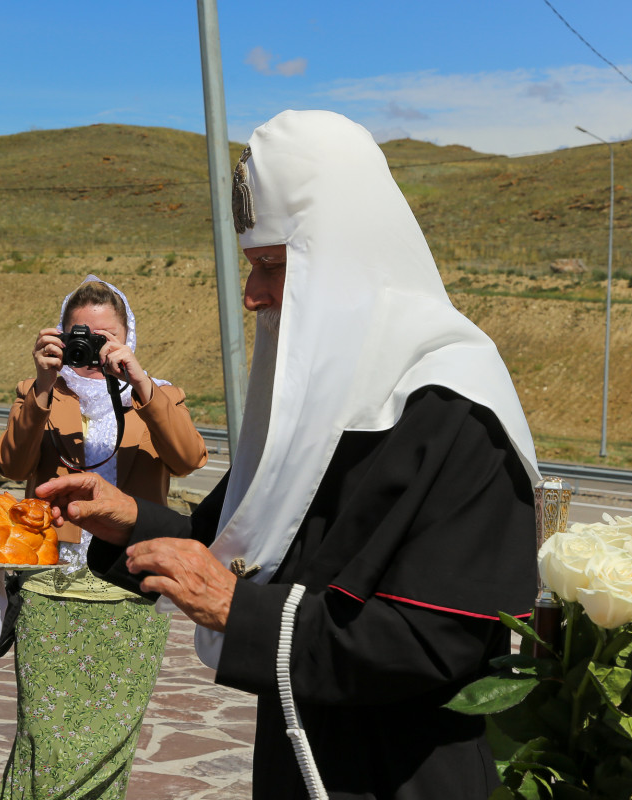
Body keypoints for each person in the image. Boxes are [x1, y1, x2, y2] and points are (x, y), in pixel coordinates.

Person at [34, 111, 541, 800]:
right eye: (252, 268)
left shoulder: (458, 409)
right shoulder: (320, 403)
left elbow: (434, 641)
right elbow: (233, 546)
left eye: (273, 266)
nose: (252, 296)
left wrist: (238, 611)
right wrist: (130, 521)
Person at [0, 276, 207, 800]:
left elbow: (188, 458)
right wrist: (42, 386)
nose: (89, 348)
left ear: (127, 337)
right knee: (44, 734)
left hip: (128, 584)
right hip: (52, 584)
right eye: (78, 335)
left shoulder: (156, 394)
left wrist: (140, 384)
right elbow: (9, 464)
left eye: (104, 337)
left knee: (109, 738)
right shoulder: (39, 392)